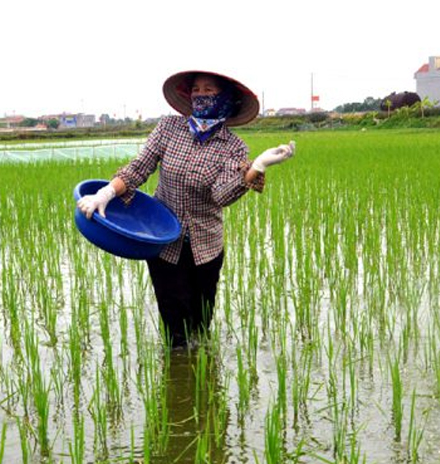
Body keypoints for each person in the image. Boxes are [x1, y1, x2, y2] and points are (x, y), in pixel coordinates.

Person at [77, 70, 296, 349]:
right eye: (196, 90)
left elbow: (221, 195)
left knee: (201, 323)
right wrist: (106, 192)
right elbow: (139, 167)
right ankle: (178, 366)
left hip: (206, 246)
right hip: (164, 241)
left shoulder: (233, 147)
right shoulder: (169, 128)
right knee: (175, 327)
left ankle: (199, 380)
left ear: (226, 98)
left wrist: (257, 167)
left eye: (209, 90)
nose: (201, 96)